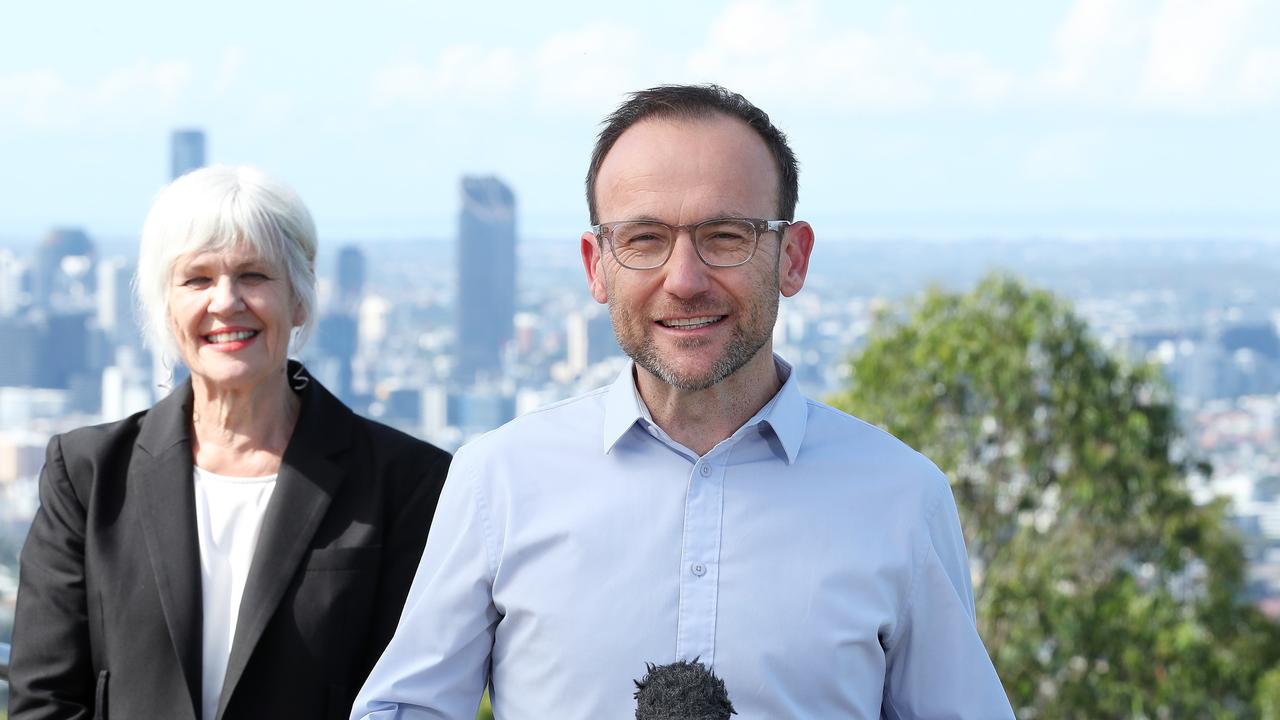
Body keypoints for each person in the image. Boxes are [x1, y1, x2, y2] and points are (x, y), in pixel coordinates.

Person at [352, 85, 1013, 718]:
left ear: (793, 257)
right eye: (644, 240)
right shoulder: (498, 482)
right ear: (596, 266)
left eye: (726, 236)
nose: (685, 280)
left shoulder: (901, 498)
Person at [10, 165, 451, 720]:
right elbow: (45, 700)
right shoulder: (87, 475)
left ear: (300, 297)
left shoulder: (408, 482)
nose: (225, 302)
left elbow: (410, 700)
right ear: (165, 306)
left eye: (253, 275)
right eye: (196, 279)